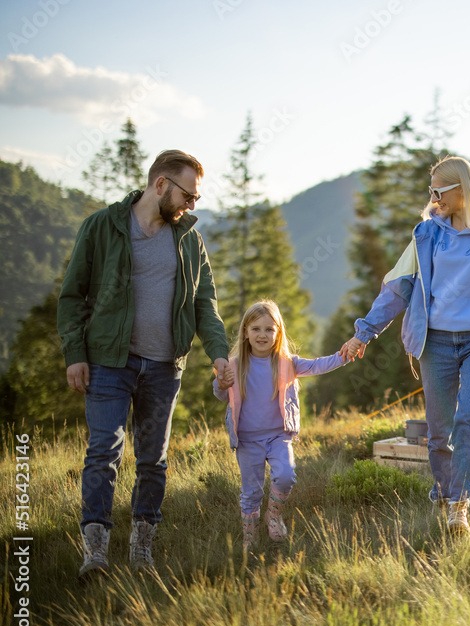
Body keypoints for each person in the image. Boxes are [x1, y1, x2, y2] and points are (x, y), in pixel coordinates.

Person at [340, 156, 470, 535]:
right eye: (431, 191)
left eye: (439, 190)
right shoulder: (426, 236)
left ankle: (458, 504)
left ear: (462, 190)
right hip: (436, 344)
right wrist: (363, 332)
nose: (433, 198)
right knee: (438, 430)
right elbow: (396, 290)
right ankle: (446, 491)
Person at [58, 149, 233, 577]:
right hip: (108, 363)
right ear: (161, 185)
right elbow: (72, 296)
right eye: (188, 195)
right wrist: (75, 354)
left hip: (163, 367)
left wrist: (219, 353)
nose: (193, 204)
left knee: (153, 460)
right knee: (104, 452)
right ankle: (95, 551)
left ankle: (141, 549)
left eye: (195, 197)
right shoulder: (102, 227)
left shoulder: (189, 238)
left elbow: (204, 304)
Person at [214, 300, 350, 548]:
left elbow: (319, 365)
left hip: (278, 436)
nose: (262, 335)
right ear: (245, 332)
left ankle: (273, 514)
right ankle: (250, 537)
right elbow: (222, 393)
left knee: (286, 476)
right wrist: (221, 384)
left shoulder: (288, 363)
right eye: (256, 329)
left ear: (278, 333)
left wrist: (344, 356)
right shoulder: (235, 365)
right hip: (247, 439)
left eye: (269, 329)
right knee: (251, 491)